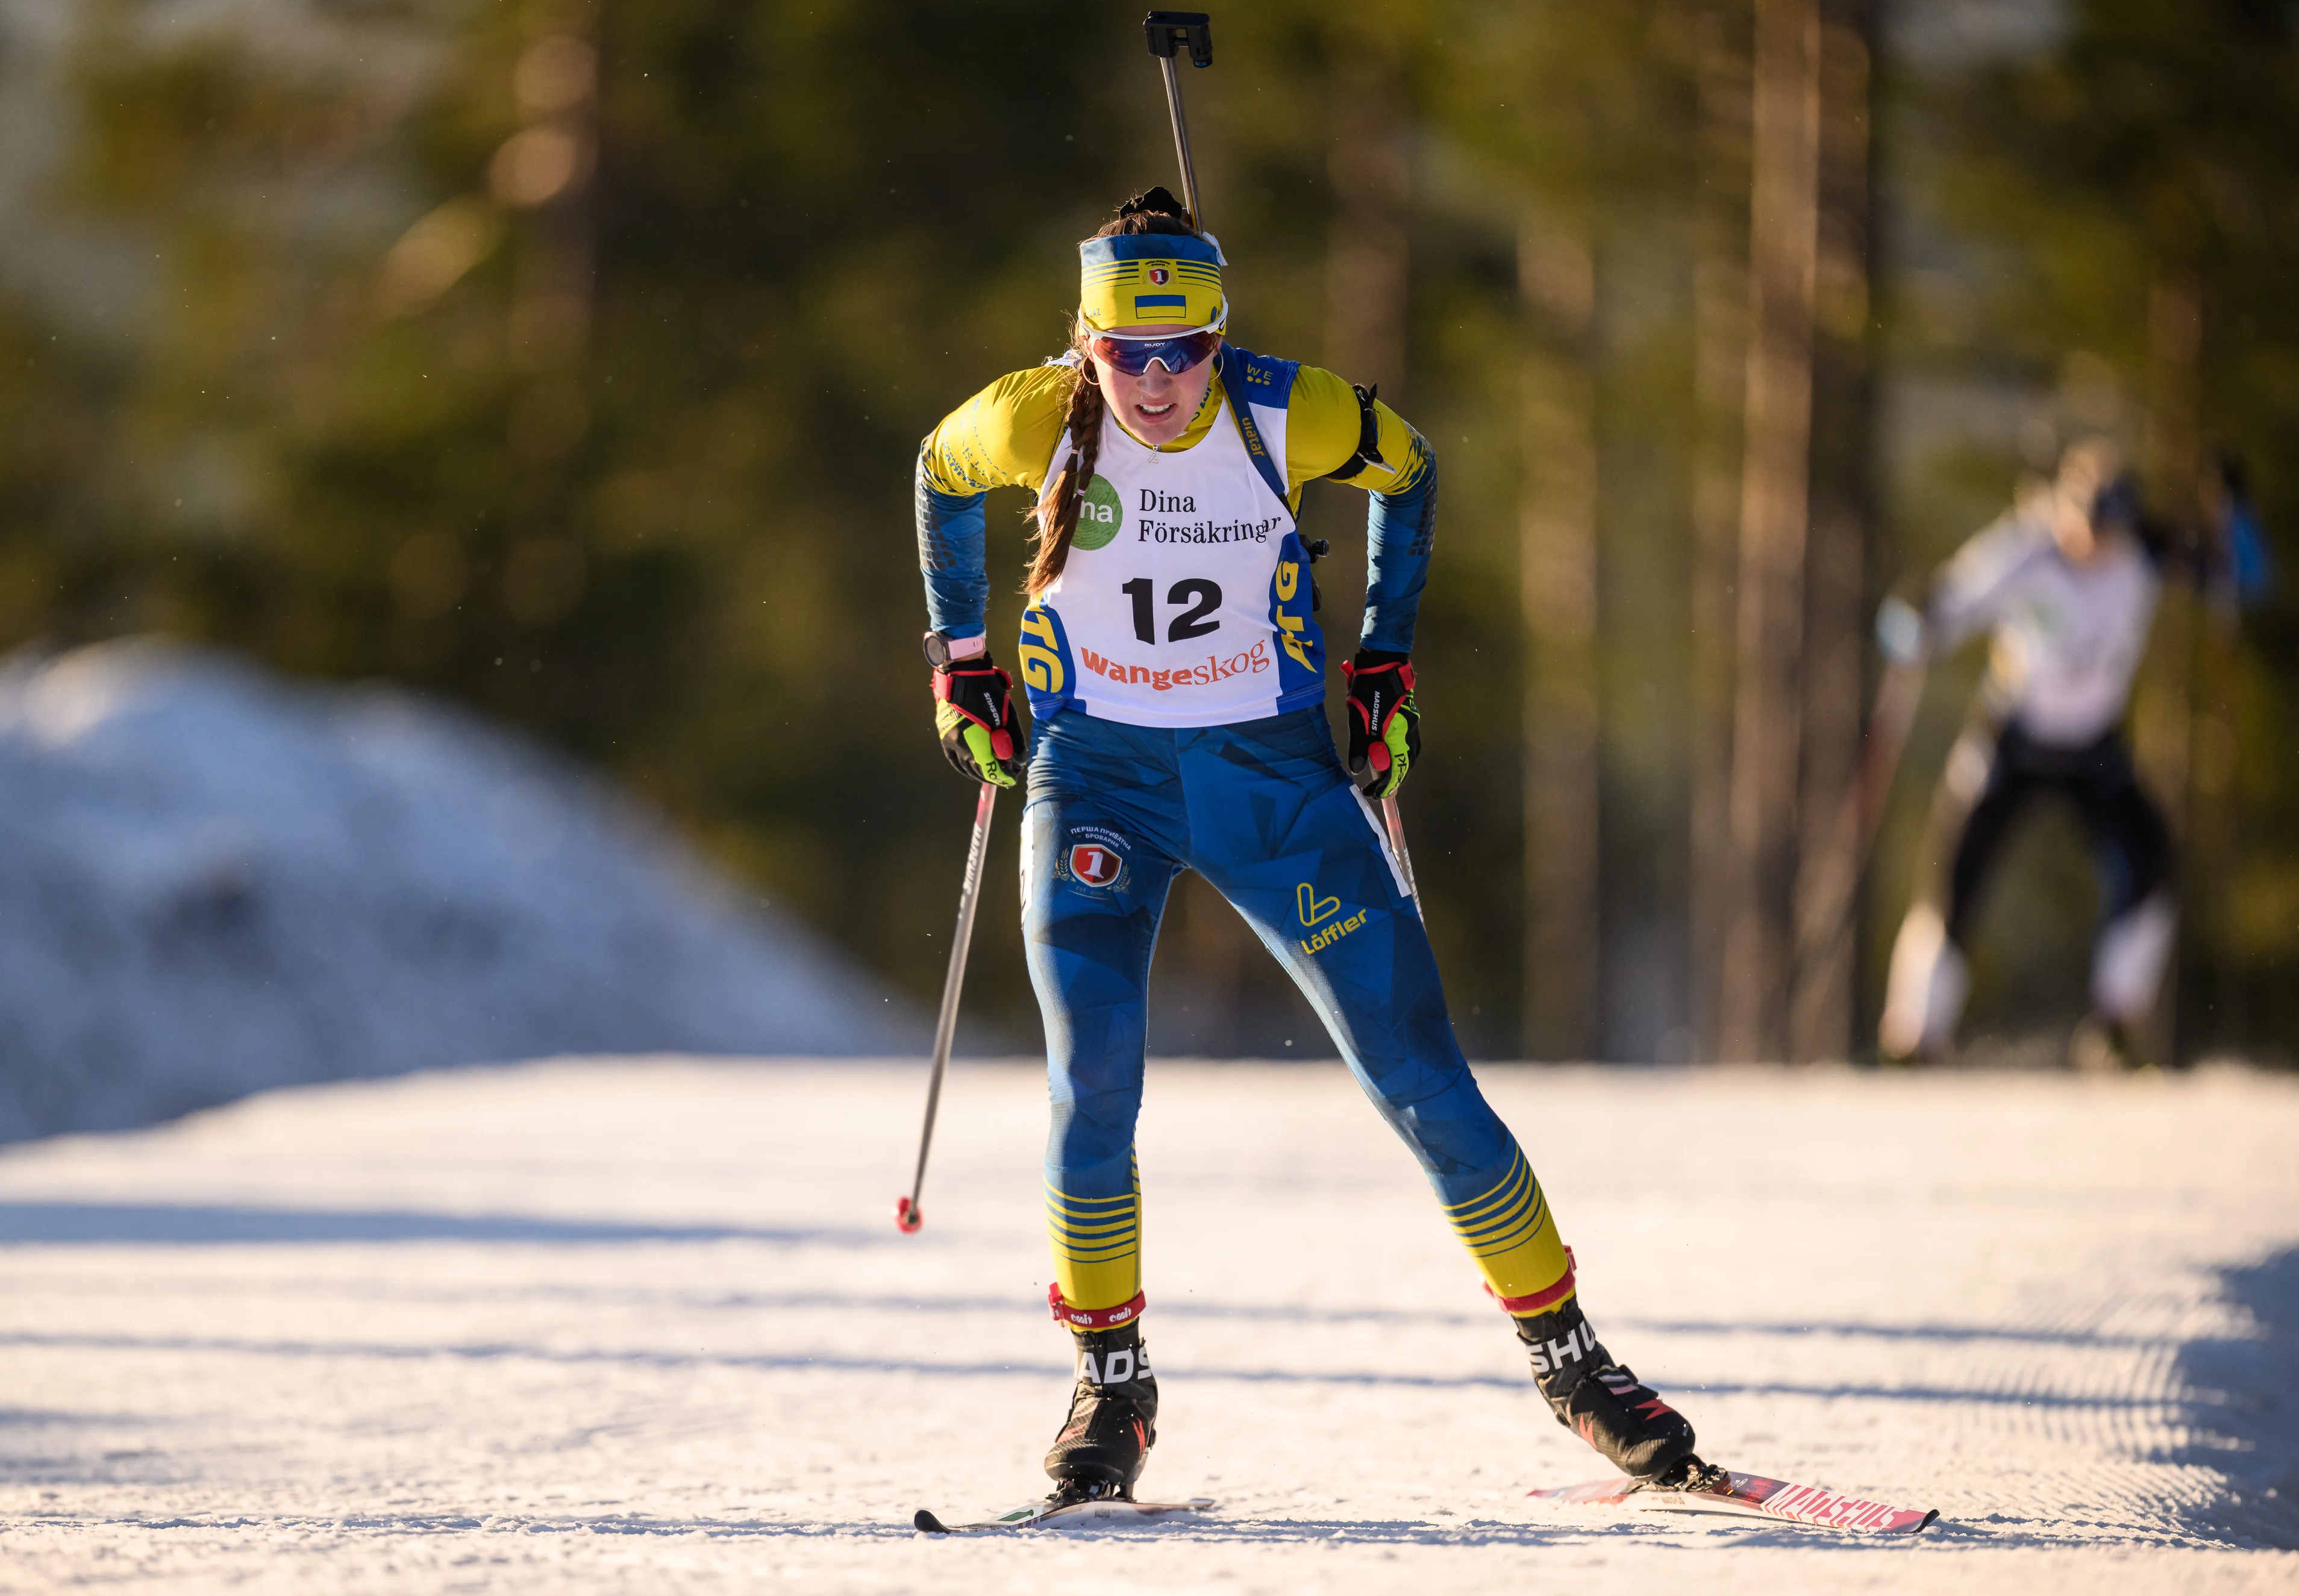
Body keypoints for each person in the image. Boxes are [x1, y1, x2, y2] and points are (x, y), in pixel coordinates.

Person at [911, 186, 1702, 1506]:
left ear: (1218, 338)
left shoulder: (1291, 409)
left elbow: (1412, 468)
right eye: (1124, 353)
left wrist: (1386, 651)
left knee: (1417, 1073)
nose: (1156, 383)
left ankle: (1569, 1362)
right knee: (1088, 1079)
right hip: (1096, 779)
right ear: (1084, 341)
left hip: (1271, 782)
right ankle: (1109, 1386)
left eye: (1183, 353)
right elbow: (936, 474)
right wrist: (961, 664)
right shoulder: (1032, 417)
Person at [1876, 439, 2178, 1070]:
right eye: (2087, 526)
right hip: (2014, 738)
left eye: (2109, 530)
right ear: (2063, 509)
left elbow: (2242, 572)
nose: (2096, 544)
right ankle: (1914, 1031)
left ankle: (2117, 1023)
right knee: (1953, 873)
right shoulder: (2025, 549)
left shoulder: (2144, 553)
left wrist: (2230, 520)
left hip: (2094, 746)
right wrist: (1915, 616)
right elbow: (1949, 601)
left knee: (2149, 864)